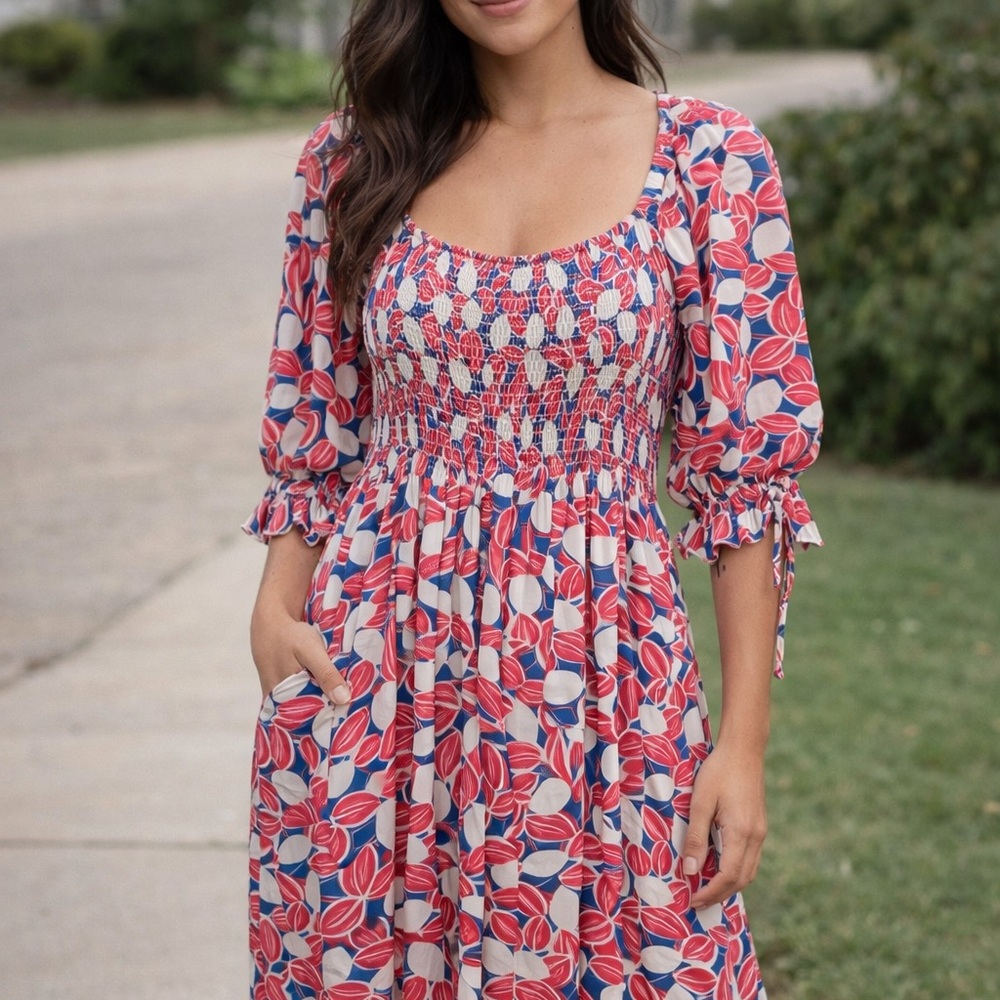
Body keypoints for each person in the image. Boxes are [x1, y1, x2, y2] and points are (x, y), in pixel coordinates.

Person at [242, 1, 824, 997]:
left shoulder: (708, 163)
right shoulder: (354, 161)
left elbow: (746, 486)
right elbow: (316, 427)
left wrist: (742, 746)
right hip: (377, 681)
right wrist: (274, 608)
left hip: (606, 682)